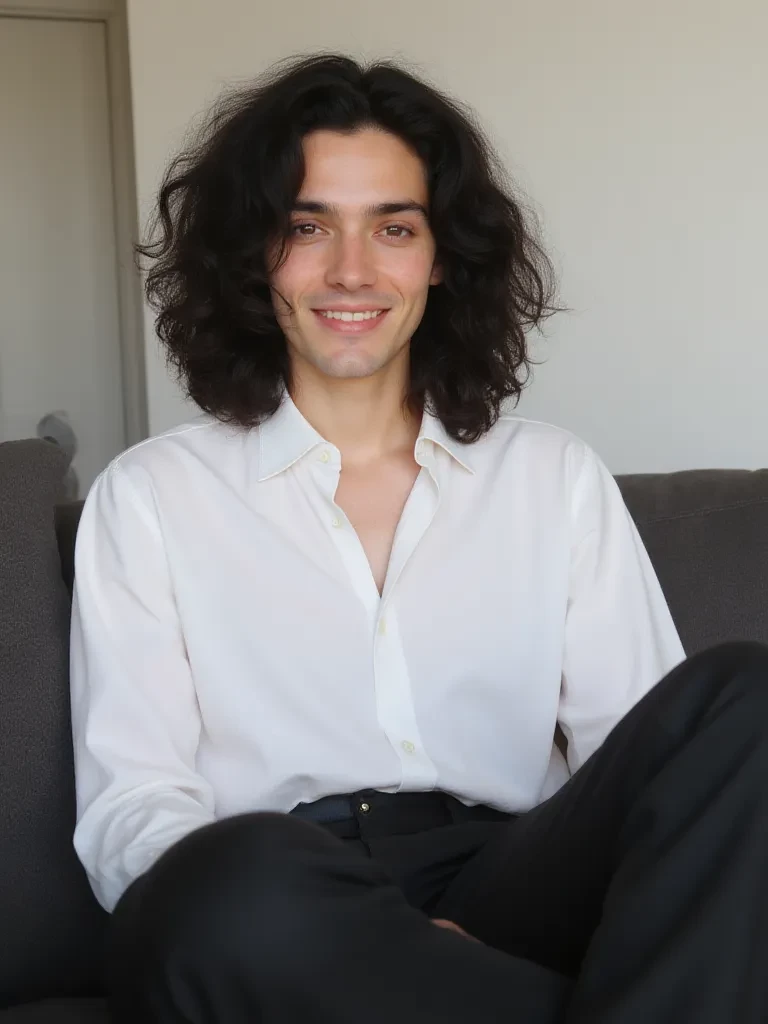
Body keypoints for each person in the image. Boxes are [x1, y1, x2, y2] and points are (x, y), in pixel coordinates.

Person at [69, 53, 768, 1023]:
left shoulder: (551, 476)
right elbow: (134, 804)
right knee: (228, 879)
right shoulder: (152, 494)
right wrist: (362, 936)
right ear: (253, 252)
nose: (351, 270)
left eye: (394, 228)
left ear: (441, 257)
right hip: (282, 897)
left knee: (745, 696)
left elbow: (644, 769)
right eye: (306, 226)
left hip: (510, 878)